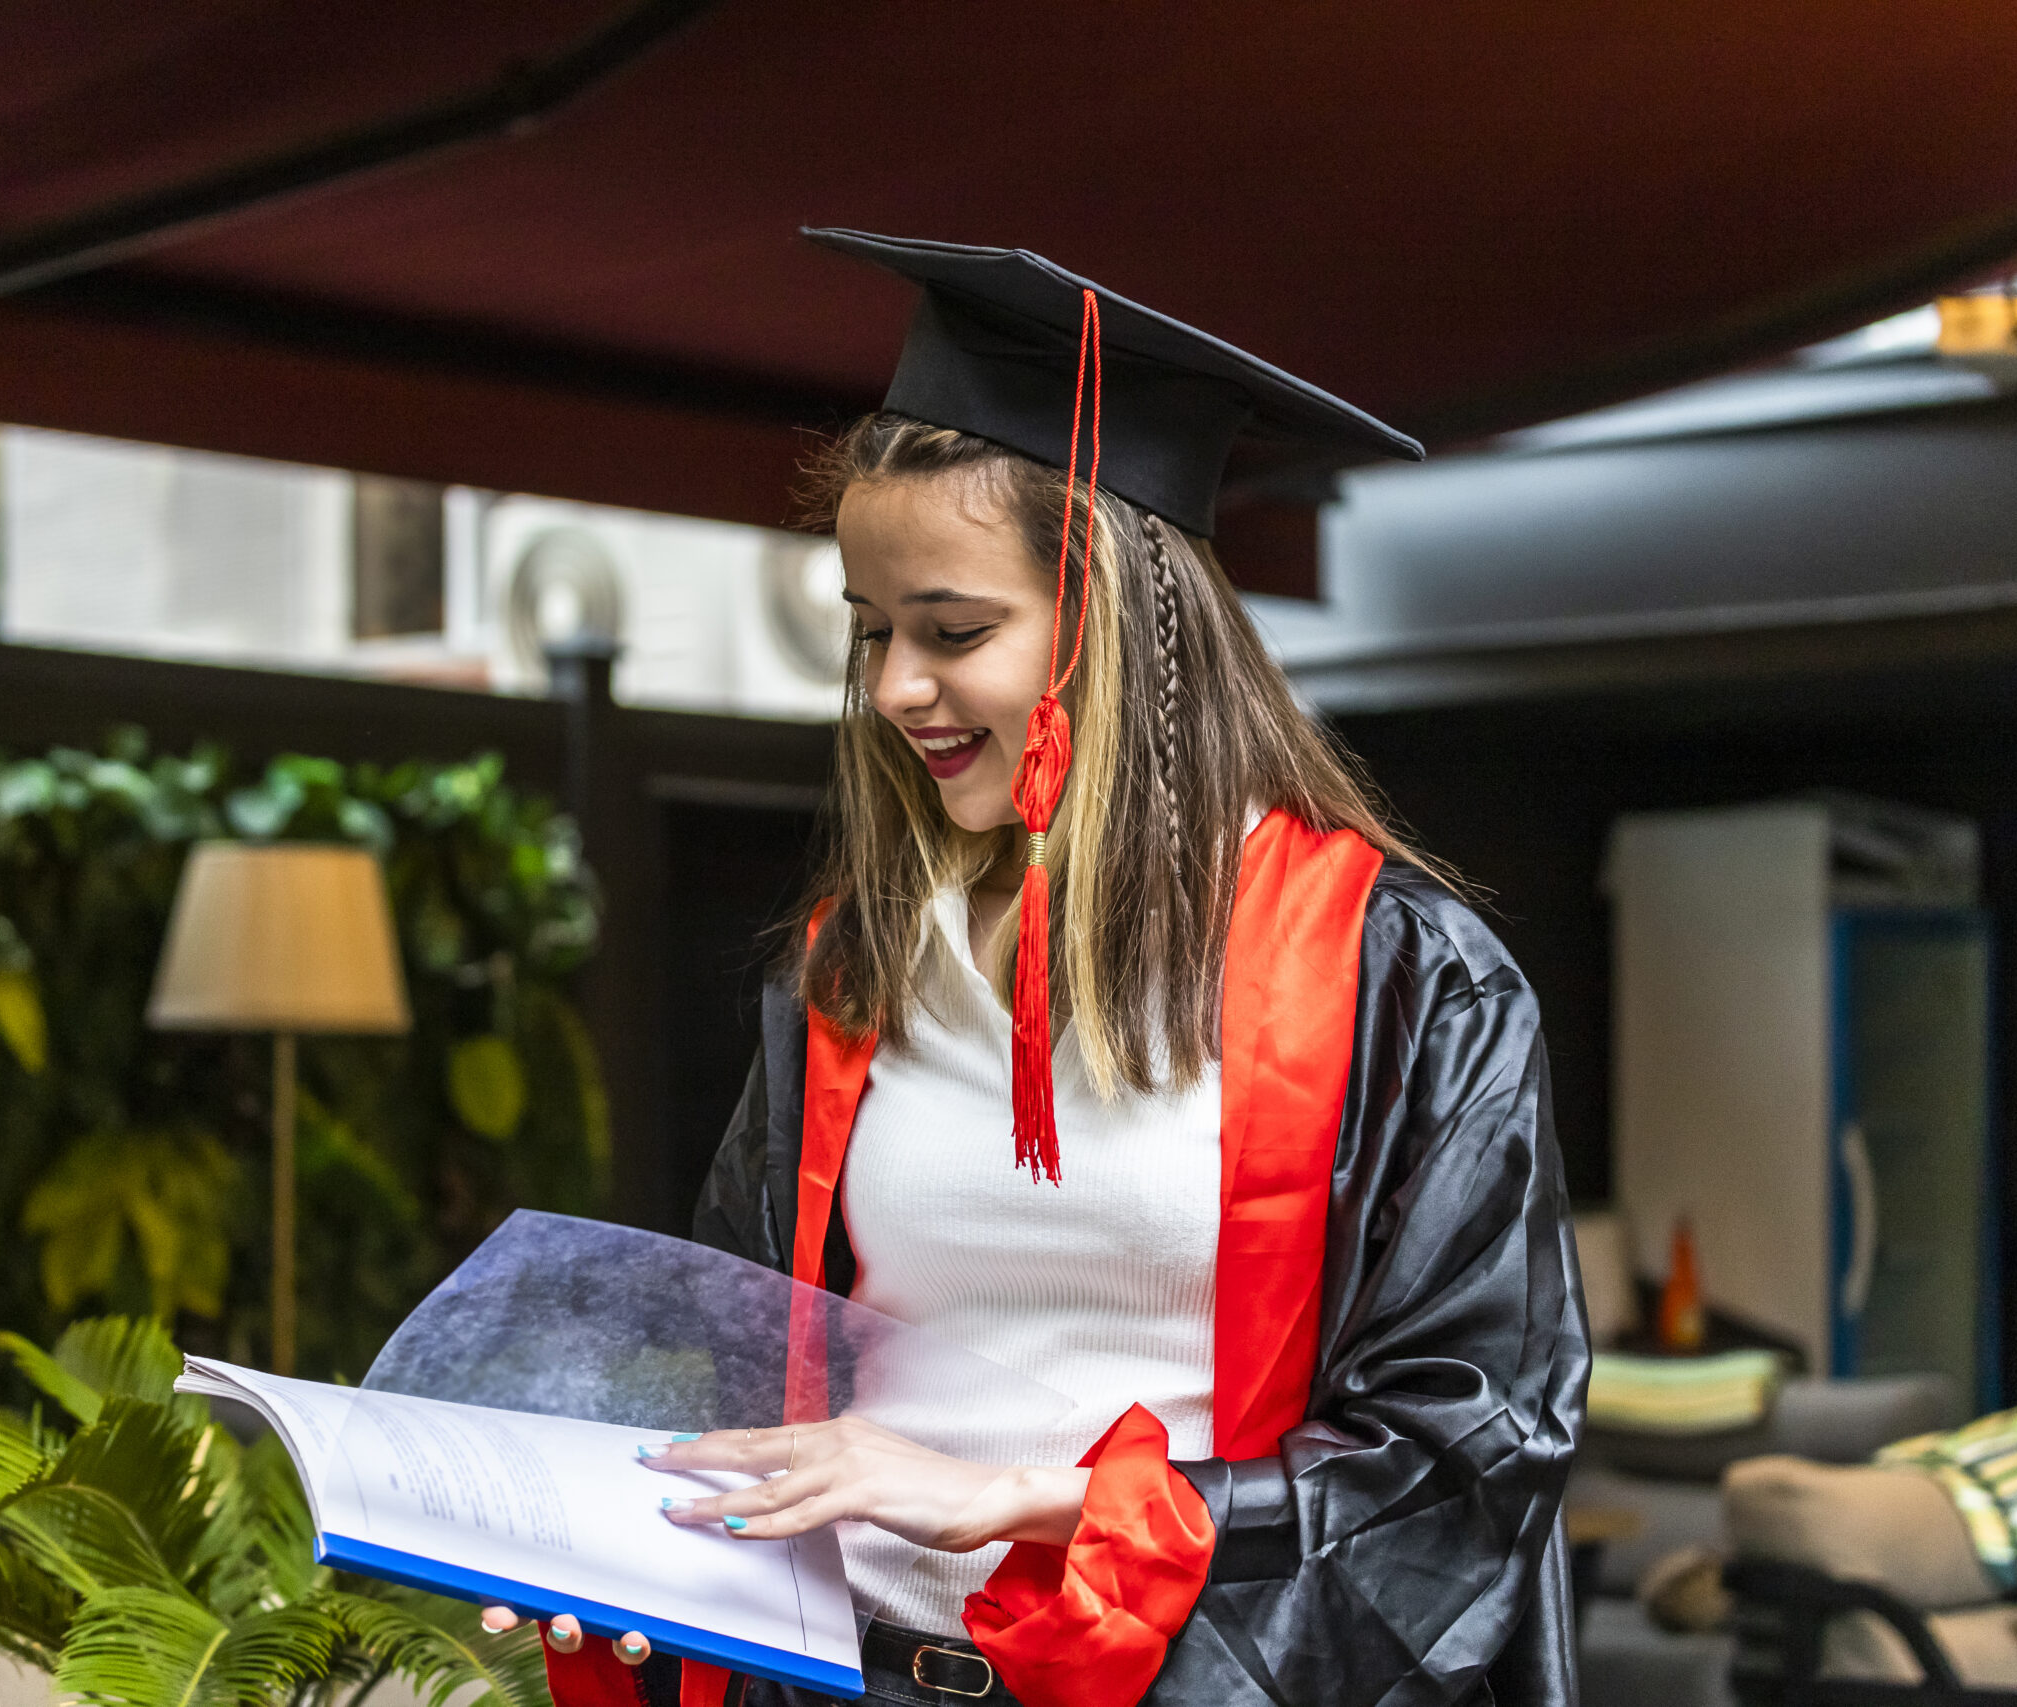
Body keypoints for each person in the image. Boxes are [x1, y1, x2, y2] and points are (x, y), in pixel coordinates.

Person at [491, 230, 1589, 1707]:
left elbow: (1467, 1453)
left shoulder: (1401, 980)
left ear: (1114, 625)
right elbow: (754, 1380)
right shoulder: (856, 973)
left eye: (953, 631)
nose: (893, 689)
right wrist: (601, 1540)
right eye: (872, 632)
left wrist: (1020, 1495)